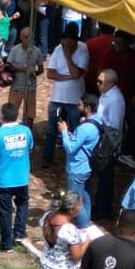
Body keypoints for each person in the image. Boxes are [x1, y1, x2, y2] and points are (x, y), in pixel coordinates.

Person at [0, 102, 33, 251]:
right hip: (22, 178)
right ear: (16, 116)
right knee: (22, 204)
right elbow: (29, 149)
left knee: (5, 212)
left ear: (1, 117)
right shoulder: (26, 131)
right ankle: (19, 232)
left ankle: (7, 244)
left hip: (4, 181)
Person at [41, 24, 88, 167]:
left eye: (70, 41)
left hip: (74, 100)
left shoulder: (83, 49)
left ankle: (74, 158)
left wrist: (68, 57)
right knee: (51, 130)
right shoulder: (58, 49)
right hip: (57, 98)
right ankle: (47, 157)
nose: (66, 44)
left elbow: (76, 73)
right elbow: (50, 74)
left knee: (75, 129)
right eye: (64, 41)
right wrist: (67, 77)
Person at [58, 93, 103, 230]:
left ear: (87, 108)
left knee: (75, 200)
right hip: (87, 166)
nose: (78, 107)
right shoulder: (98, 121)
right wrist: (72, 136)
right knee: (85, 195)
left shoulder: (85, 128)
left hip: (77, 168)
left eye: (80, 105)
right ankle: (86, 220)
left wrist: (64, 132)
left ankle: (83, 226)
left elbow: (70, 148)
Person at [94, 68, 126, 219]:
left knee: (106, 176)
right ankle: (100, 204)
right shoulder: (105, 94)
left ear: (111, 83)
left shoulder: (115, 99)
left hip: (109, 143)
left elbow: (114, 125)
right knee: (101, 175)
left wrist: (97, 124)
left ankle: (104, 208)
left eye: (100, 82)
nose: (97, 84)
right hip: (103, 139)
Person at [6, 26, 44, 121]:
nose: (30, 40)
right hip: (17, 87)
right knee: (11, 113)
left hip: (31, 87)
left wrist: (34, 73)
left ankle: (29, 129)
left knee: (30, 114)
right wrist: (20, 69)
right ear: (21, 37)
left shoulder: (37, 51)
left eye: (32, 37)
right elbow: (7, 67)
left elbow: (41, 69)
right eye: (27, 37)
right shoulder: (15, 50)